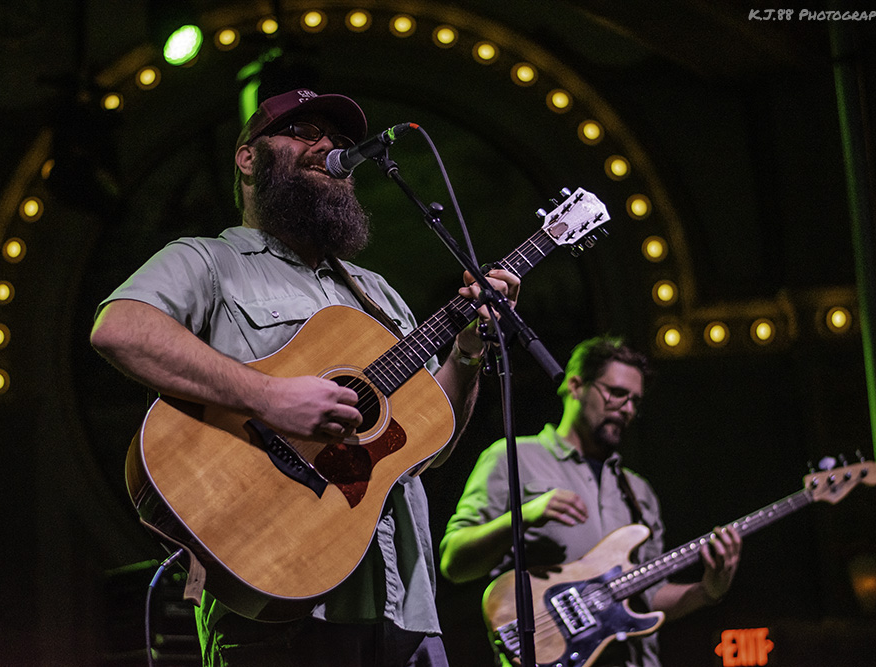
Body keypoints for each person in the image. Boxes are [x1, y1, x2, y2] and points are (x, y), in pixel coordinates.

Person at [89, 87, 520, 667]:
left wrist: (466, 353)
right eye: (303, 132)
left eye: (339, 141)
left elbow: (422, 444)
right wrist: (271, 399)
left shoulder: (379, 293)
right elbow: (121, 330)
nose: (327, 147)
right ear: (248, 157)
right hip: (280, 599)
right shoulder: (207, 261)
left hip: (408, 612)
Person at [439, 336, 741, 666]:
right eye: (616, 393)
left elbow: (648, 597)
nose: (627, 409)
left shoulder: (639, 492)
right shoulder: (513, 457)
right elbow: (454, 562)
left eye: (635, 402)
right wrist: (525, 515)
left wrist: (706, 591)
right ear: (575, 385)